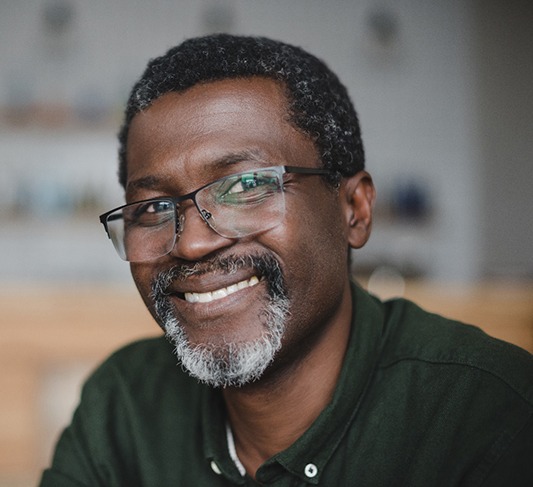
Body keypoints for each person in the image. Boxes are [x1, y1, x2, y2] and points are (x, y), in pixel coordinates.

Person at [40, 34, 533, 486]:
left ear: (354, 209)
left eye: (247, 186)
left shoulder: (491, 416)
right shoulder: (123, 405)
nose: (190, 244)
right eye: (152, 208)